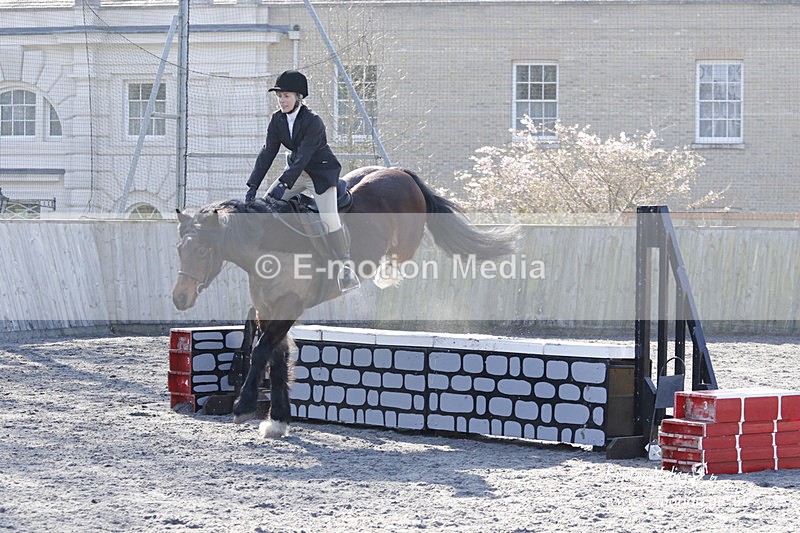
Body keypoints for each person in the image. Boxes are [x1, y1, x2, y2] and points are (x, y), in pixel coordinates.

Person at [245, 70, 360, 293]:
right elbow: (268, 152)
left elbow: (304, 157)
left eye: (286, 96)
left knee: (328, 218)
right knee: (267, 205)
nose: (282, 100)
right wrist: (252, 186)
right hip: (296, 172)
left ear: (299, 97)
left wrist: (284, 184)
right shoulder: (277, 120)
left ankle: (346, 270)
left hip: (320, 174)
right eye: (279, 96)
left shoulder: (313, 121)